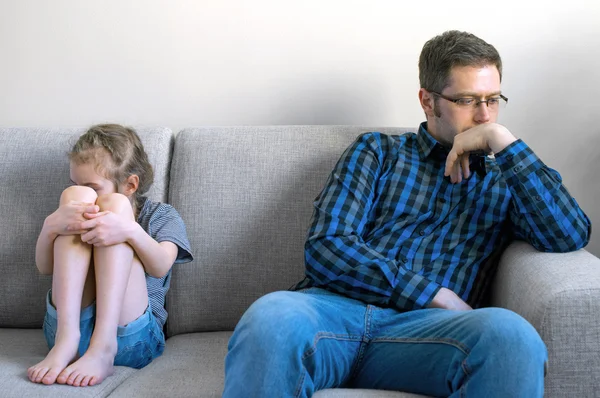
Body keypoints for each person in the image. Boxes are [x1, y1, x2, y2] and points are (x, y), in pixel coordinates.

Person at [223, 30, 591, 397]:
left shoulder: (507, 180)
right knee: (271, 318)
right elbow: (327, 248)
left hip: (429, 336)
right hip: (333, 315)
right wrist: (437, 294)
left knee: (512, 335)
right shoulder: (378, 151)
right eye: (467, 100)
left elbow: (569, 235)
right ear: (427, 101)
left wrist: (503, 143)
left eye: (493, 100)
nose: (484, 116)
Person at [27, 124, 193, 387]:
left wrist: (128, 230)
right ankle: (67, 340)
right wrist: (51, 225)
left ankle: (103, 345)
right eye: (78, 184)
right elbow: (46, 268)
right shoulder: (79, 206)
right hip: (64, 332)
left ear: (130, 184)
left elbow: (161, 266)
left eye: (93, 188)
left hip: (130, 337)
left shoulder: (162, 216)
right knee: (74, 202)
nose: (89, 198)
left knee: (114, 210)